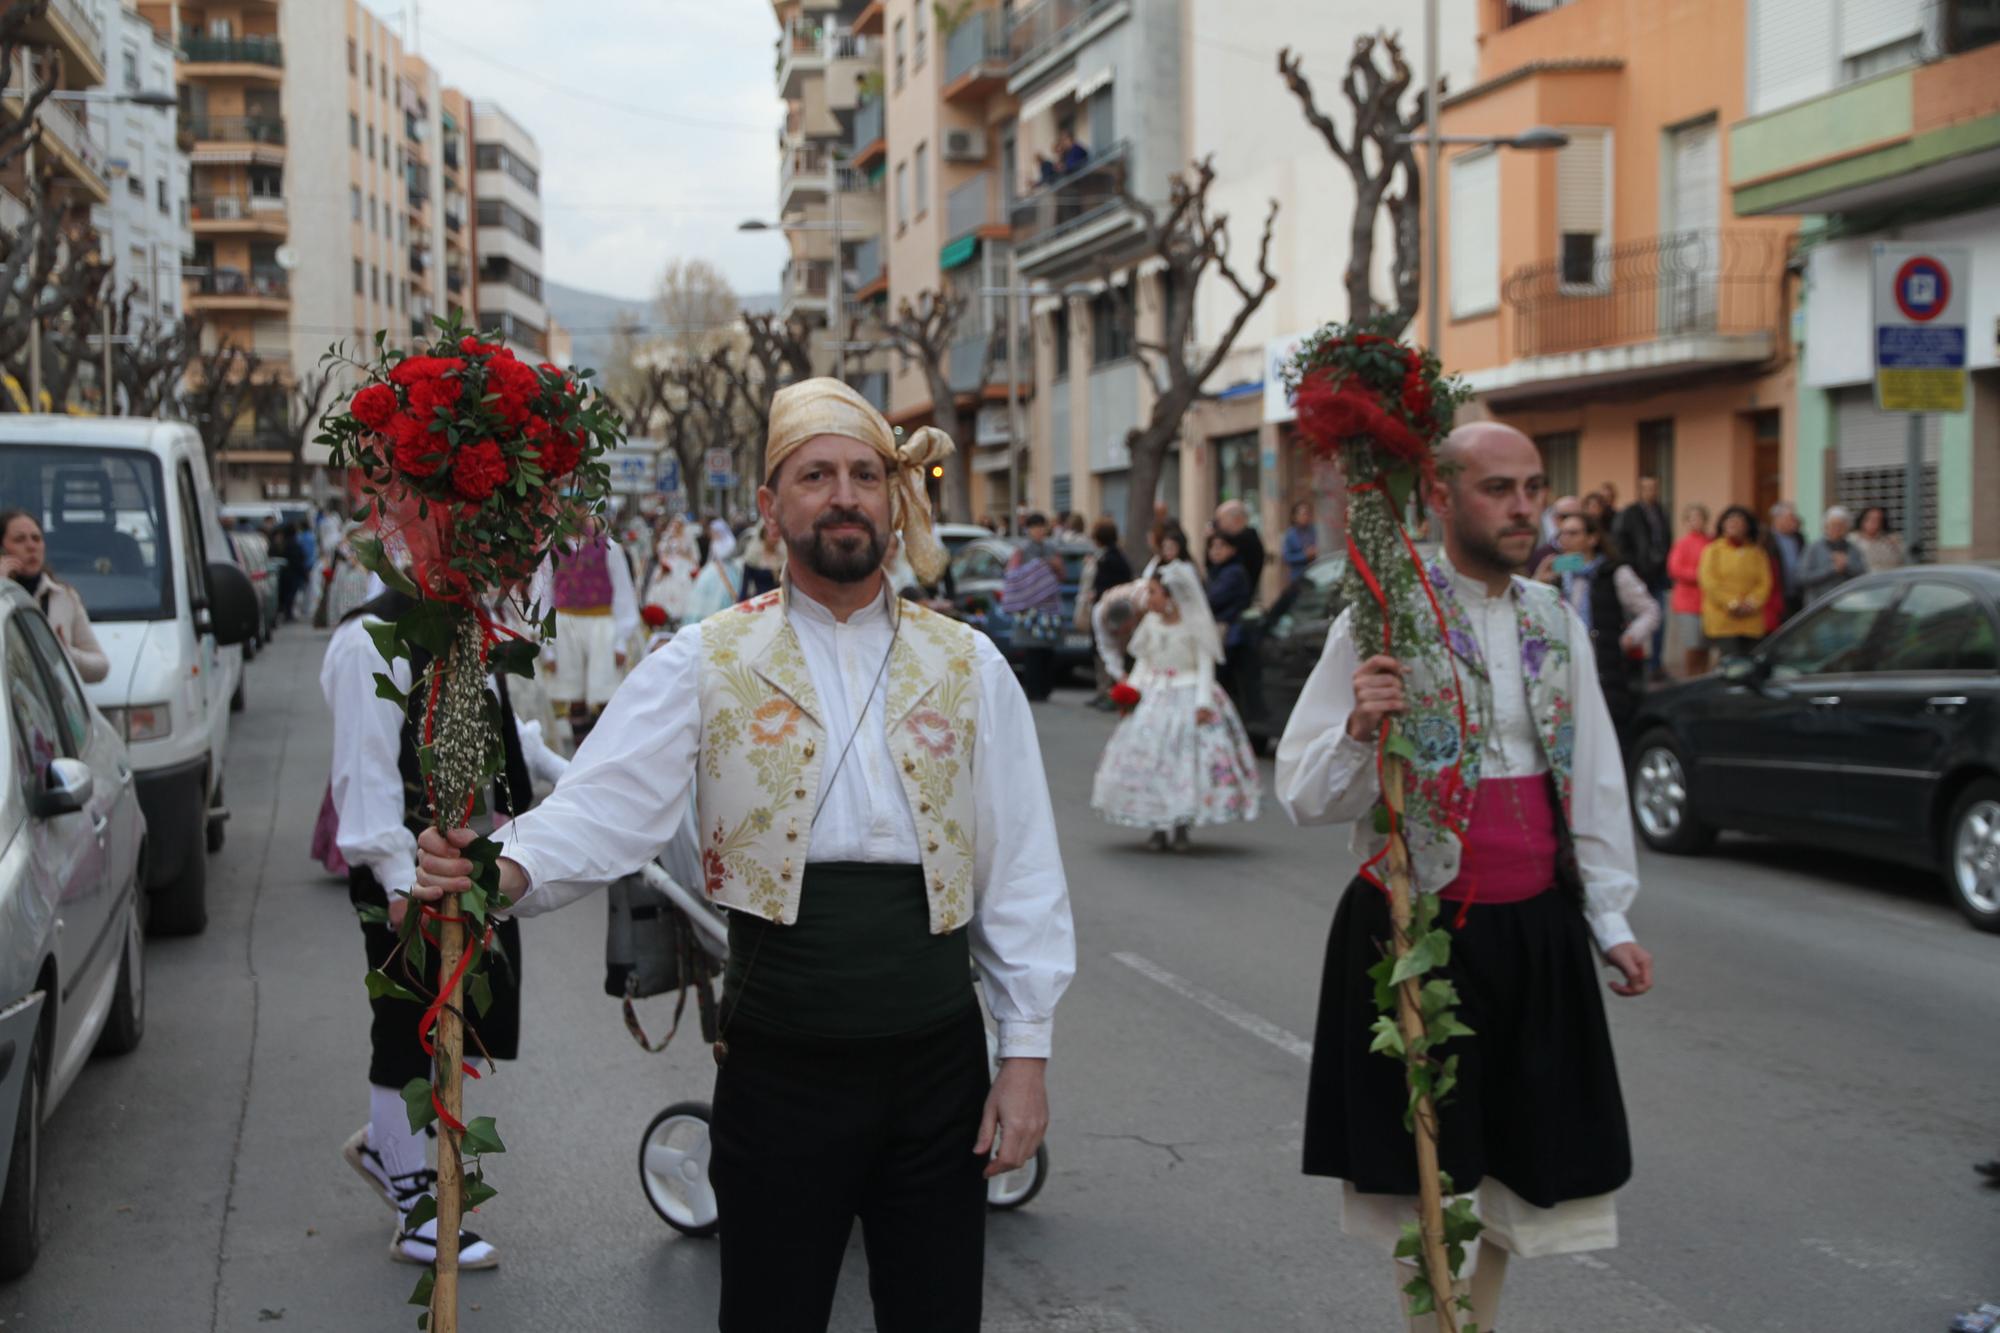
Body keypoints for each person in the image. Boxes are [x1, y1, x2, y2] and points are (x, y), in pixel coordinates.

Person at [410, 377, 1075, 1333]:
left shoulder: (972, 665)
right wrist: (496, 871)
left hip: (937, 1073)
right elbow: (603, 806)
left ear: (892, 497)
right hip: (780, 1069)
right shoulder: (703, 658)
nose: (843, 494)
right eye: (815, 474)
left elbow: (1020, 870)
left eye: (863, 473)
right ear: (771, 507)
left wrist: (1026, 1057)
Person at [1275, 421, 1651, 1333]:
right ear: (1441, 497)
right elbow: (1300, 792)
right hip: (1413, 929)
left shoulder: (1557, 621)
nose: (1526, 507)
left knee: (1516, 1169)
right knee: (1426, 1177)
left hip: (1536, 933)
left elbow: (1591, 781)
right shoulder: (1380, 620)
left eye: (1533, 487)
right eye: (1499, 488)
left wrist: (1611, 919)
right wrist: (1360, 728)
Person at [324, 581, 566, 1270]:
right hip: (404, 870)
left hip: (461, 861)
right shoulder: (372, 636)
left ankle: (386, 1147)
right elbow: (364, 774)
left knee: (447, 1018)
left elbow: (500, 727)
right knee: (407, 1023)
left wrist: (566, 773)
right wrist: (400, 882)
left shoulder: (461, 625)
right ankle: (413, 1201)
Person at [1091, 561, 1260, 849]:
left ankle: (1181, 824)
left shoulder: (1195, 626)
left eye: (1154, 592)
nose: (1149, 599)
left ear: (1171, 597)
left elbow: (1206, 666)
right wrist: (1130, 690)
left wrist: (1204, 702)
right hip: (1155, 695)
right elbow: (1144, 661)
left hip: (1187, 693)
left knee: (1184, 762)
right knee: (1152, 761)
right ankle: (1157, 825)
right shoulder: (1151, 624)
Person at [1550, 511, 1658, 743]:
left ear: (1592, 539)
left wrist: (1630, 637)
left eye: (1573, 533)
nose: (1565, 539)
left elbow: (1650, 610)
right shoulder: (1558, 575)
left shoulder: (1614, 573)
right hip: (1567, 669)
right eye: (1562, 534)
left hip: (1606, 670)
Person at [542, 525, 641, 744]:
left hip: (601, 623)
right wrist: (547, 647)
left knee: (606, 693)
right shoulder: (552, 547)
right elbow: (544, 593)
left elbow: (623, 592)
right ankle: (581, 754)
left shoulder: (607, 546)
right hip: (565, 623)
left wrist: (621, 642)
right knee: (574, 697)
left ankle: (605, 751)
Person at [0, 508, 108, 682]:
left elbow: (101, 667)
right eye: (20, 539)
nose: (31, 546)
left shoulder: (64, 596)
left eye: (36, 538)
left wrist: (65, 653)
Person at [1003, 512, 1065, 702]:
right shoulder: (1021, 551)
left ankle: (1045, 689)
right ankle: (1033, 689)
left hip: (1049, 609)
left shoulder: (1052, 549)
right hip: (1029, 610)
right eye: (1035, 527)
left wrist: (1054, 566)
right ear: (1028, 530)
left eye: (1041, 527)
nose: (1039, 531)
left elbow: (1061, 574)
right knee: (1032, 651)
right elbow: (1012, 576)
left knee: (1047, 650)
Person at [1612, 477, 1672, 677]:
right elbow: (1622, 542)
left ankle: (1656, 663)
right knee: (1636, 620)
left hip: (1657, 575)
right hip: (1638, 573)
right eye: (1646, 488)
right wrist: (1634, 566)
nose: (1650, 492)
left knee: (1658, 618)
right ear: (1640, 490)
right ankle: (1635, 661)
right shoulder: (1631, 513)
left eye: (1654, 488)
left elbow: (1665, 541)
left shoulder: (1661, 512)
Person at [1698, 506, 1771, 660]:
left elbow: (1765, 582)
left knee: (1751, 663)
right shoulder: (1713, 550)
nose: (1734, 526)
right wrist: (1733, 603)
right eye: (1730, 522)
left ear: (1747, 527)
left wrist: (1751, 602)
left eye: (1739, 523)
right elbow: (1709, 582)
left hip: (1751, 619)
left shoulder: (1757, 553)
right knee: (1730, 664)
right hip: (1724, 619)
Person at [1083, 516, 1132, 709]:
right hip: (1113, 611)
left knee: (1107, 650)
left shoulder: (1107, 559)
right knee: (1108, 650)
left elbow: (1107, 585)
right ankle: (1106, 692)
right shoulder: (1114, 556)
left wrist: (1096, 595)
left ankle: (1109, 693)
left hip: (1108, 612)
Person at [1205, 529, 1255, 714]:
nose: (1216, 551)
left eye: (1221, 546)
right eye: (1212, 547)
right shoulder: (1218, 571)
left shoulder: (1233, 572)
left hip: (1228, 630)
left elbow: (1213, 600)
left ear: (1232, 549)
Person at [1666, 503, 1712, 678]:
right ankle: (1692, 676)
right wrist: (1700, 575)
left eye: (1699, 518)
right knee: (1692, 643)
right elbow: (1675, 569)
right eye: (1692, 518)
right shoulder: (1682, 544)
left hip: (1708, 600)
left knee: (1705, 644)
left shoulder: (1711, 542)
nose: (1696, 522)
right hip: (1687, 601)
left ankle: (1704, 675)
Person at [1800, 505, 1869, 605]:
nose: (1837, 528)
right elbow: (1802, 577)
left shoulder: (1853, 549)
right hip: (1819, 605)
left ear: (1847, 528)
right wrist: (1832, 569)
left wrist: (1846, 566)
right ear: (1826, 526)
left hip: (1848, 604)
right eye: (1833, 525)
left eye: (1841, 525)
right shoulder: (1813, 548)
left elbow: (1863, 574)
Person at [642, 517, 702, 628]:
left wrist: (682, 553)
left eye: (678, 525)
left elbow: (694, 557)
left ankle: (680, 614)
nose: (675, 527)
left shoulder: (687, 538)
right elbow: (661, 551)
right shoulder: (668, 537)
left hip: (683, 566)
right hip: (670, 564)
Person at [1213, 499, 1265, 591]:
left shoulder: (1246, 540)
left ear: (1237, 519)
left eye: (1220, 520)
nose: (1219, 525)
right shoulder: (1241, 538)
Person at [1768, 502, 1807, 619]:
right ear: (1777, 519)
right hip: (1777, 594)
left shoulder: (1799, 538)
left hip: (1797, 593)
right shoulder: (1767, 538)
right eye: (1790, 518)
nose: (1795, 521)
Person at [1530, 494, 1582, 571]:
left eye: (1578, 516)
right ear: (1555, 519)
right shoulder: (1541, 555)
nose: (1571, 521)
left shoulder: (1597, 552)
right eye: (1565, 516)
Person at [1851, 505, 1904, 572]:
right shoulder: (1852, 540)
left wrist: (1895, 547)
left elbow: (1899, 561)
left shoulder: (1890, 540)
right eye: (1870, 519)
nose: (1873, 523)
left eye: (1878, 520)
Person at [1281, 500, 1318, 583]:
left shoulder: (1314, 530)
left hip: (1315, 575)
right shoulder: (1290, 534)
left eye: (1307, 513)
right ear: (1295, 516)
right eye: (1302, 514)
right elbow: (1286, 558)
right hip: (1298, 577)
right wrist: (1304, 555)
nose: (1305, 517)